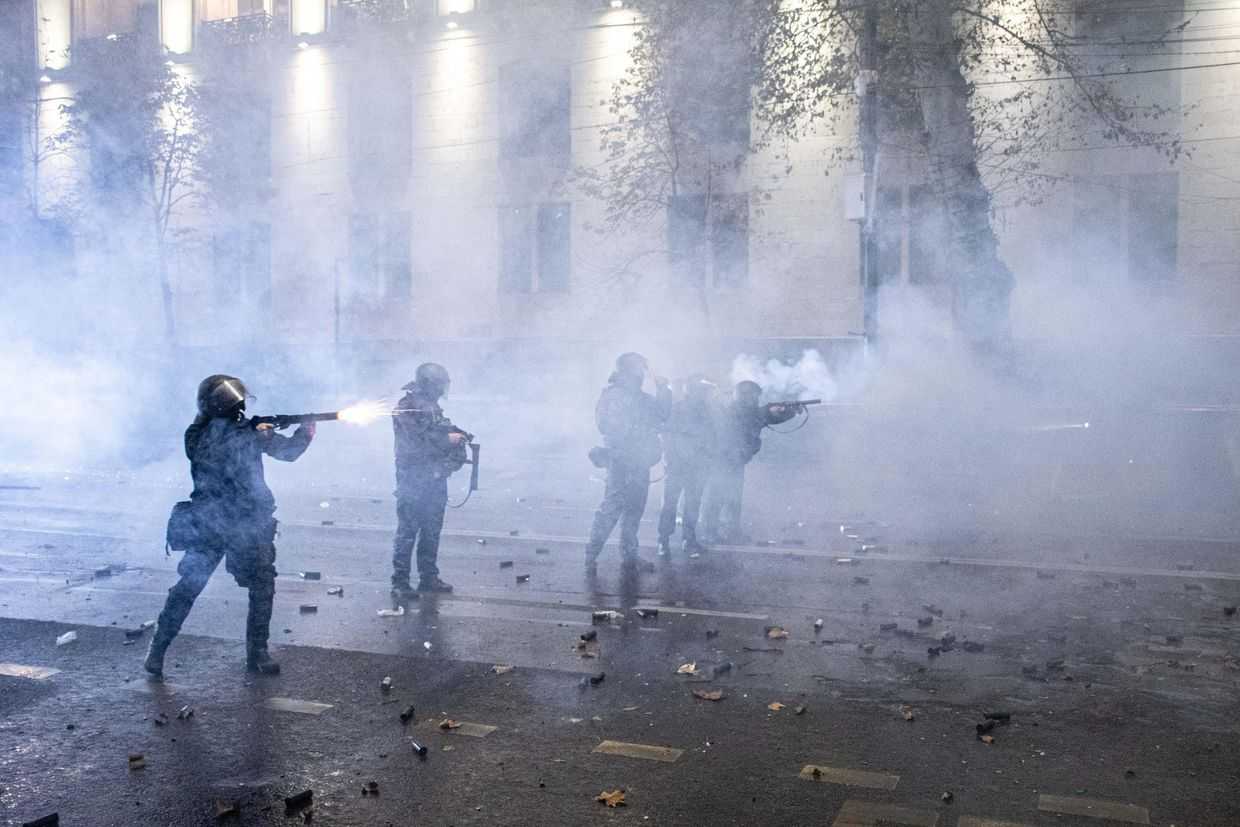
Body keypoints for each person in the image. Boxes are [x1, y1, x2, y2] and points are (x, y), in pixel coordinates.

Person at [145, 375, 316, 678]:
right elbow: (288, 452)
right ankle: (256, 652)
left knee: (196, 586)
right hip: (228, 522)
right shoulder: (235, 436)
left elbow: (268, 447)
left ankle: (158, 651)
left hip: (222, 522)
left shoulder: (197, 433)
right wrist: (304, 431)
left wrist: (278, 429)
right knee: (255, 586)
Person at [391, 362, 470, 597]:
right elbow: (416, 444)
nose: (442, 390)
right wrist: (448, 440)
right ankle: (400, 583)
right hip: (413, 478)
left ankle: (428, 577)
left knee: (431, 529)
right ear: (431, 385)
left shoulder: (430, 406)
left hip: (433, 476)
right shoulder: (407, 408)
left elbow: (437, 432)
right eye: (440, 385)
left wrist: (457, 435)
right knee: (408, 531)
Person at [585, 352, 672, 567]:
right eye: (640, 369)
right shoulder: (615, 395)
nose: (643, 374)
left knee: (634, 509)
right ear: (629, 371)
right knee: (612, 508)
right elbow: (608, 427)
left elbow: (662, 414)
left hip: (638, 461)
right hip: (623, 461)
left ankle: (629, 555)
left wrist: (663, 389)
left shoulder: (639, 397)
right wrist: (632, 442)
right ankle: (592, 554)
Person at [701, 380, 797, 544]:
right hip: (723, 461)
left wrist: (790, 412)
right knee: (716, 497)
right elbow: (760, 416)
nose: (755, 399)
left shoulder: (750, 412)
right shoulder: (732, 411)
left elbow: (769, 417)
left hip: (736, 461)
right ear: (743, 396)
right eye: (753, 396)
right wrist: (777, 411)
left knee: (734, 498)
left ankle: (731, 531)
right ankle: (710, 532)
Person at [656, 374, 716, 557]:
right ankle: (663, 540)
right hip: (679, 464)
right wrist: (671, 459)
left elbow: (711, 437)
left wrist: (708, 456)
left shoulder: (707, 410)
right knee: (670, 503)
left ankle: (688, 539)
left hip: (697, 465)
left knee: (693, 503)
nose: (704, 393)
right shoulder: (678, 409)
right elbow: (667, 435)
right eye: (701, 389)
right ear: (692, 390)